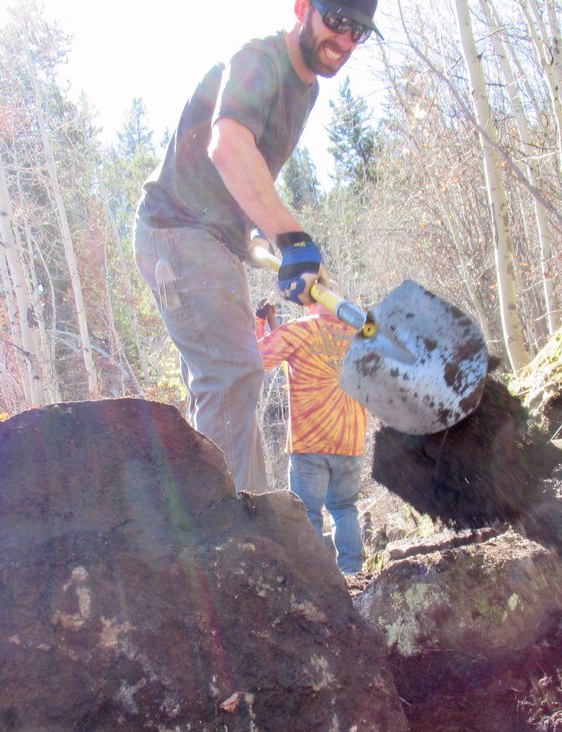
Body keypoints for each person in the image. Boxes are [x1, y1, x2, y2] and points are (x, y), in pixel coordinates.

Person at [133, 0, 381, 494]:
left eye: (359, 31)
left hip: (216, 240)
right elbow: (227, 148)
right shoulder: (258, 61)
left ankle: (243, 517)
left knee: (227, 387)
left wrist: (263, 242)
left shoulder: (305, 89)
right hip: (178, 228)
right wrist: (292, 238)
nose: (345, 40)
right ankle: (230, 529)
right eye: (336, 20)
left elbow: (246, 182)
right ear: (303, 7)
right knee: (233, 375)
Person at [256, 300, 368, 574]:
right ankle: (354, 575)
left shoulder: (300, 329)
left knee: (307, 515)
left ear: (308, 301)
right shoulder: (360, 330)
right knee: (345, 508)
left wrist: (260, 323)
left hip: (310, 441)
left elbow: (257, 359)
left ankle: (318, 581)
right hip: (350, 438)